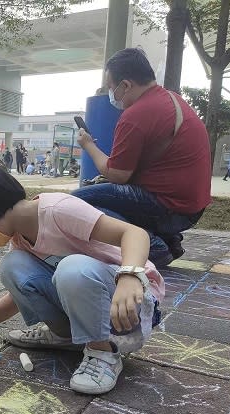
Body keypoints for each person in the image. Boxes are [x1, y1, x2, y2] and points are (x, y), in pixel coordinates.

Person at [0, 164, 164, 394]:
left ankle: (102, 352)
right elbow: (19, 295)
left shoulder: (58, 209)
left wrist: (128, 277)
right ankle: (66, 336)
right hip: (97, 303)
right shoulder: (19, 238)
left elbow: (134, 233)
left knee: (71, 268)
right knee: (12, 266)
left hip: (131, 303)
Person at [74, 48, 211, 267]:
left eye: (111, 88)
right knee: (104, 196)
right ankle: (169, 240)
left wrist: (88, 145)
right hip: (191, 206)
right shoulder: (172, 99)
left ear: (126, 85)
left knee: (78, 202)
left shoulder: (136, 114)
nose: (112, 95)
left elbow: (117, 175)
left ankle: (152, 248)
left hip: (171, 208)